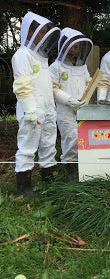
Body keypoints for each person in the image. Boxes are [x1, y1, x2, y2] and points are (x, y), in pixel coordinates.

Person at [12, 12, 61, 197]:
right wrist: (31, 110)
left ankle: (48, 180)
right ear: (29, 32)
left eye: (44, 33)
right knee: (28, 145)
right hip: (31, 111)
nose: (43, 36)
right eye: (40, 32)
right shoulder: (22, 55)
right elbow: (22, 85)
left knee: (49, 144)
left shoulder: (42, 57)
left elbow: (47, 85)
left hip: (48, 110)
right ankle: (24, 187)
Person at [50, 28, 93, 181]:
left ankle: (84, 169)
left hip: (83, 109)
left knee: (84, 137)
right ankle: (70, 170)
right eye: (70, 46)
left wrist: (86, 99)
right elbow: (53, 89)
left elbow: (89, 83)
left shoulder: (82, 66)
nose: (73, 50)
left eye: (76, 47)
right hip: (65, 111)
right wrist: (69, 101)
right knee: (71, 137)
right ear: (62, 46)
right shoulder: (56, 67)